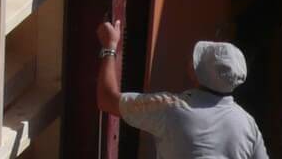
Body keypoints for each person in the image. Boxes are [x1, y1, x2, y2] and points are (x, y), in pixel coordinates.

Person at [95, 21, 269, 159]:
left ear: (195, 74)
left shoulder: (171, 108)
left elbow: (106, 99)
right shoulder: (248, 125)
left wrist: (109, 46)